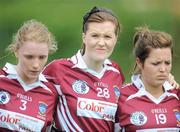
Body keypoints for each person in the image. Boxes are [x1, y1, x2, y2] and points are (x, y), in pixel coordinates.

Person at [43, 6, 125, 131]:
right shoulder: (58, 69)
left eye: (107, 37)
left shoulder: (116, 73)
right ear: (84, 37)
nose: (101, 43)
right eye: (95, 36)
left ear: (115, 39)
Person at [117, 27, 180, 131]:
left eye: (167, 63)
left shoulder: (177, 95)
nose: (163, 69)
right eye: (156, 63)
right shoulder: (121, 97)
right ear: (140, 63)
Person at [0, 19, 58, 132]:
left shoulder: (51, 93)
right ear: (16, 51)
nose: (36, 65)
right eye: (29, 57)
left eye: (42, 57)